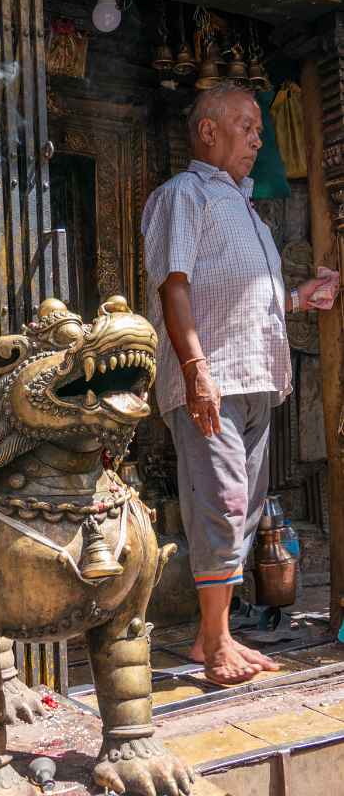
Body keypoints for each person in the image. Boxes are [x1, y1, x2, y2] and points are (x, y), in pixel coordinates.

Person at [142, 82, 339, 686]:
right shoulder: (184, 195)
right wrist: (197, 371)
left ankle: (210, 636)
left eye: (259, 129)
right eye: (248, 126)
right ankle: (219, 639)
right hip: (215, 379)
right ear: (209, 130)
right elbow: (173, 285)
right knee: (222, 505)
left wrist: (303, 297)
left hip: (255, 376)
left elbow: (253, 299)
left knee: (244, 509)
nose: (258, 138)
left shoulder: (245, 208)